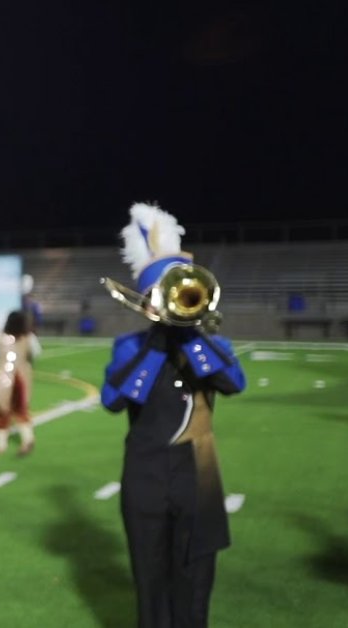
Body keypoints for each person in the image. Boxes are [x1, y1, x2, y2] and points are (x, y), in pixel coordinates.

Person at [100, 202, 246, 628]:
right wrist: (159, 341)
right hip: (144, 477)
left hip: (198, 473)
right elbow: (114, 399)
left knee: (196, 583)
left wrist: (189, 334)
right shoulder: (131, 347)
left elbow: (233, 383)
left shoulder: (209, 342)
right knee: (150, 585)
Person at [0, 310, 41, 455]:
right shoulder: (29, 337)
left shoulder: (1, 337)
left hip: (5, 377)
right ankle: (28, 437)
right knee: (21, 408)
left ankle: (1, 444)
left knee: (2, 409)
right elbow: (37, 352)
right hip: (21, 375)